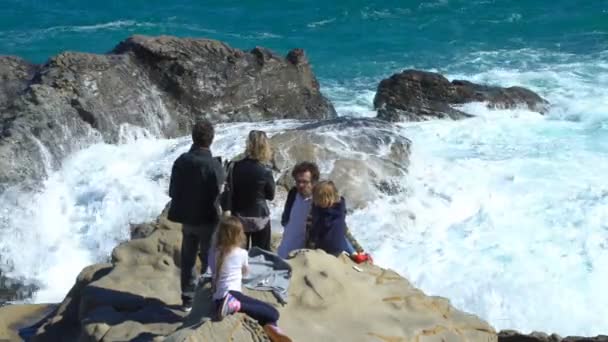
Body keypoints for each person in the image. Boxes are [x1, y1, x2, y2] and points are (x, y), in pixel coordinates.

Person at [168, 119, 225, 310]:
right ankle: (208, 298)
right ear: (211, 140)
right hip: (208, 219)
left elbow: (172, 191)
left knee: (188, 258)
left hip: (188, 219)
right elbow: (219, 194)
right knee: (210, 259)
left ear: (193, 138)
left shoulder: (181, 160)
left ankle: (188, 298)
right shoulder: (214, 165)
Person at [212, 217, 291, 342]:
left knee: (265, 315)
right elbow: (245, 274)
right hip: (232, 295)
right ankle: (236, 306)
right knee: (274, 313)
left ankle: (271, 327)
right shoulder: (242, 253)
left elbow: (214, 274)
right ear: (239, 235)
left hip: (218, 297)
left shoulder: (214, 252)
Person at [227, 130, 276, 250]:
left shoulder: (234, 166)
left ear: (248, 144)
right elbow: (271, 195)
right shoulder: (265, 170)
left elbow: (231, 190)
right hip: (260, 218)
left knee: (238, 255)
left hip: (239, 217)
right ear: (265, 147)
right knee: (261, 256)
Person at [308, 181, 370, 260]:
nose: (315, 202)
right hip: (340, 243)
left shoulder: (322, 214)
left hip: (328, 249)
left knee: (328, 236)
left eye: (317, 199)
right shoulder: (341, 207)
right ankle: (356, 253)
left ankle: (355, 253)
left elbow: (315, 231)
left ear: (324, 200)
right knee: (341, 234)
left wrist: (310, 248)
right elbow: (343, 228)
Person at [277, 162, 319, 258]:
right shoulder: (293, 193)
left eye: (305, 182)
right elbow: (286, 217)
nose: (300, 185)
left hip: (303, 255)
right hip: (284, 248)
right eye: (297, 181)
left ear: (314, 182)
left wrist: (356, 249)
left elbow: (338, 224)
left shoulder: (318, 201)